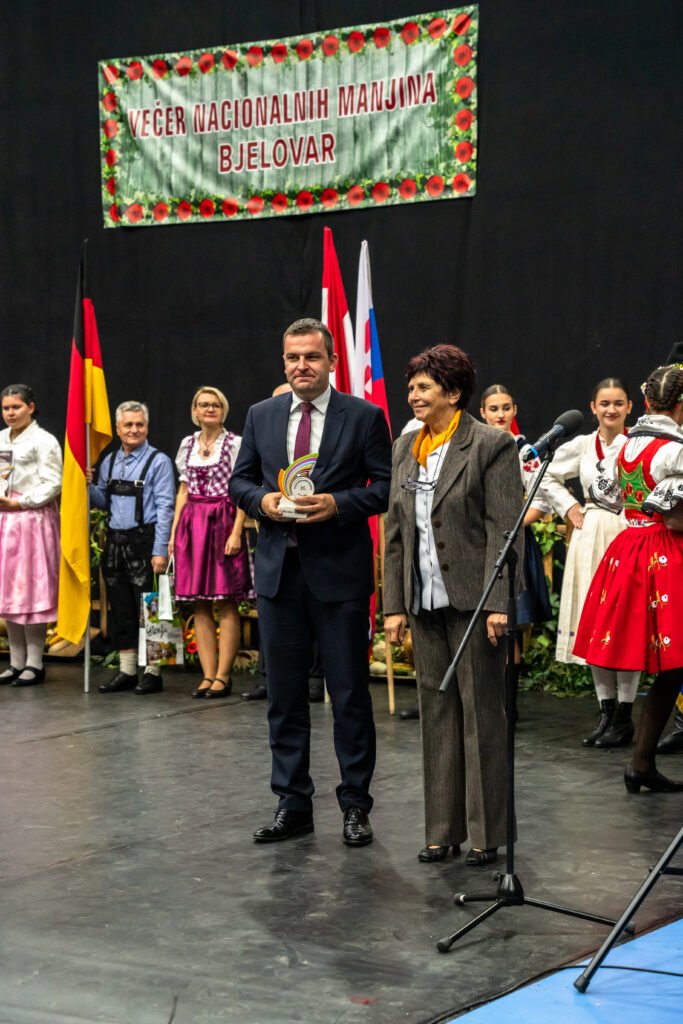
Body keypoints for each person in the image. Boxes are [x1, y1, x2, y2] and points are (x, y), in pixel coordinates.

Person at [230, 317, 391, 846]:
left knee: (349, 697)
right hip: (279, 576)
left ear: (332, 361)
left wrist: (338, 504)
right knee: (284, 698)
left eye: (312, 357)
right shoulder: (260, 414)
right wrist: (263, 500)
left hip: (340, 577)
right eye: (293, 357)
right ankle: (292, 804)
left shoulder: (364, 416)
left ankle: (355, 805)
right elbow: (240, 481)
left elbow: (385, 486)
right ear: (284, 362)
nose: (302, 366)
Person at [383, 345, 523, 866]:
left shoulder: (490, 444)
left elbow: (504, 529)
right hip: (423, 601)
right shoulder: (405, 447)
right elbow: (395, 531)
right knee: (437, 714)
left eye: (424, 387)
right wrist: (393, 605)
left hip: (475, 603)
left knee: (481, 715)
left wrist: (498, 602)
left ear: (454, 391)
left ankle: (488, 834)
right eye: (411, 387)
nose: (413, 395)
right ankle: (442, 830)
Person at [573, 363, 683, 793]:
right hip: (667, 552)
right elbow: (675, 518)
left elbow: (609, 496)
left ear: (647, 401)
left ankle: (641, 763)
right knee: (673, 664)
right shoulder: (675, 451)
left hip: (631, 547)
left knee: (671, 666)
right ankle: (641, 762)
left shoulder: (625, 446)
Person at [543, 378, 636, 747]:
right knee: (594, 619)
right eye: (604, 403)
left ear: (630, 407)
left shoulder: (638, 444)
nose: (611, 410)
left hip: (628, 534)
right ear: (593, 407)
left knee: (624, 622)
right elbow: (545, 473)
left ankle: (625, 714)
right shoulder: (583, 445)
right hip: (591, 533)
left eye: (618, 403)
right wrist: (570, 506)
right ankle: (606, 710)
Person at [169, 386, 253, 699]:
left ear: (223, 410)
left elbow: (243, 488)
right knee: (199, 601)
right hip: (193, 524)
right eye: (204, 404)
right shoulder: (187, 444)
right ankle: (207, 674)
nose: (209, 409)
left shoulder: (234, 444)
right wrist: (174, 533)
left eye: (216, 404)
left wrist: (236, 531)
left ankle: (223, 675)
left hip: (222, 520)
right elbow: (183, 491)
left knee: (227, 600)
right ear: (195, 410)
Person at [90, 402, 175, 695]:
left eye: (140, 424)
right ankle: (127, 670)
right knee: (121, 608)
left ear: (147, 428)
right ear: (118, 429)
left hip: (146, 541)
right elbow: (103, 502)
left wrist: (160, 549)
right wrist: (87, 486)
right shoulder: (110, 461)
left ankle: (153, 672)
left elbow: (166, 507)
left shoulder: (159, 461)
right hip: (115, 542)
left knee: (152, 607)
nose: (134, 430)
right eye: (128, 425)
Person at [480, 385, 553, 715]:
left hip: (513, 545)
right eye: (494, 408)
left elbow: (541, 501)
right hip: (478, 545)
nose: (500, 414)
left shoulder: (526, 452)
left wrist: (508, 526)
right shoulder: (475, 447)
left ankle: (508, 707)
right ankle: (483, 701)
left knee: (508, 626)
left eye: (506, 408)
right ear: (482, 412)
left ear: (515, 410)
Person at [0, 384, 62, 686]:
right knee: (9, 592)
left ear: (31, 408)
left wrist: (21, 502)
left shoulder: (44, 441)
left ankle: (35, 663)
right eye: (6, 408)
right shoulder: (1, 438)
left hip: (31, 519)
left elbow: (53, 482)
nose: (10, 413)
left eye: (16, 407)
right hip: (5, 520)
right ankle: (15, 661)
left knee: (31, 590)